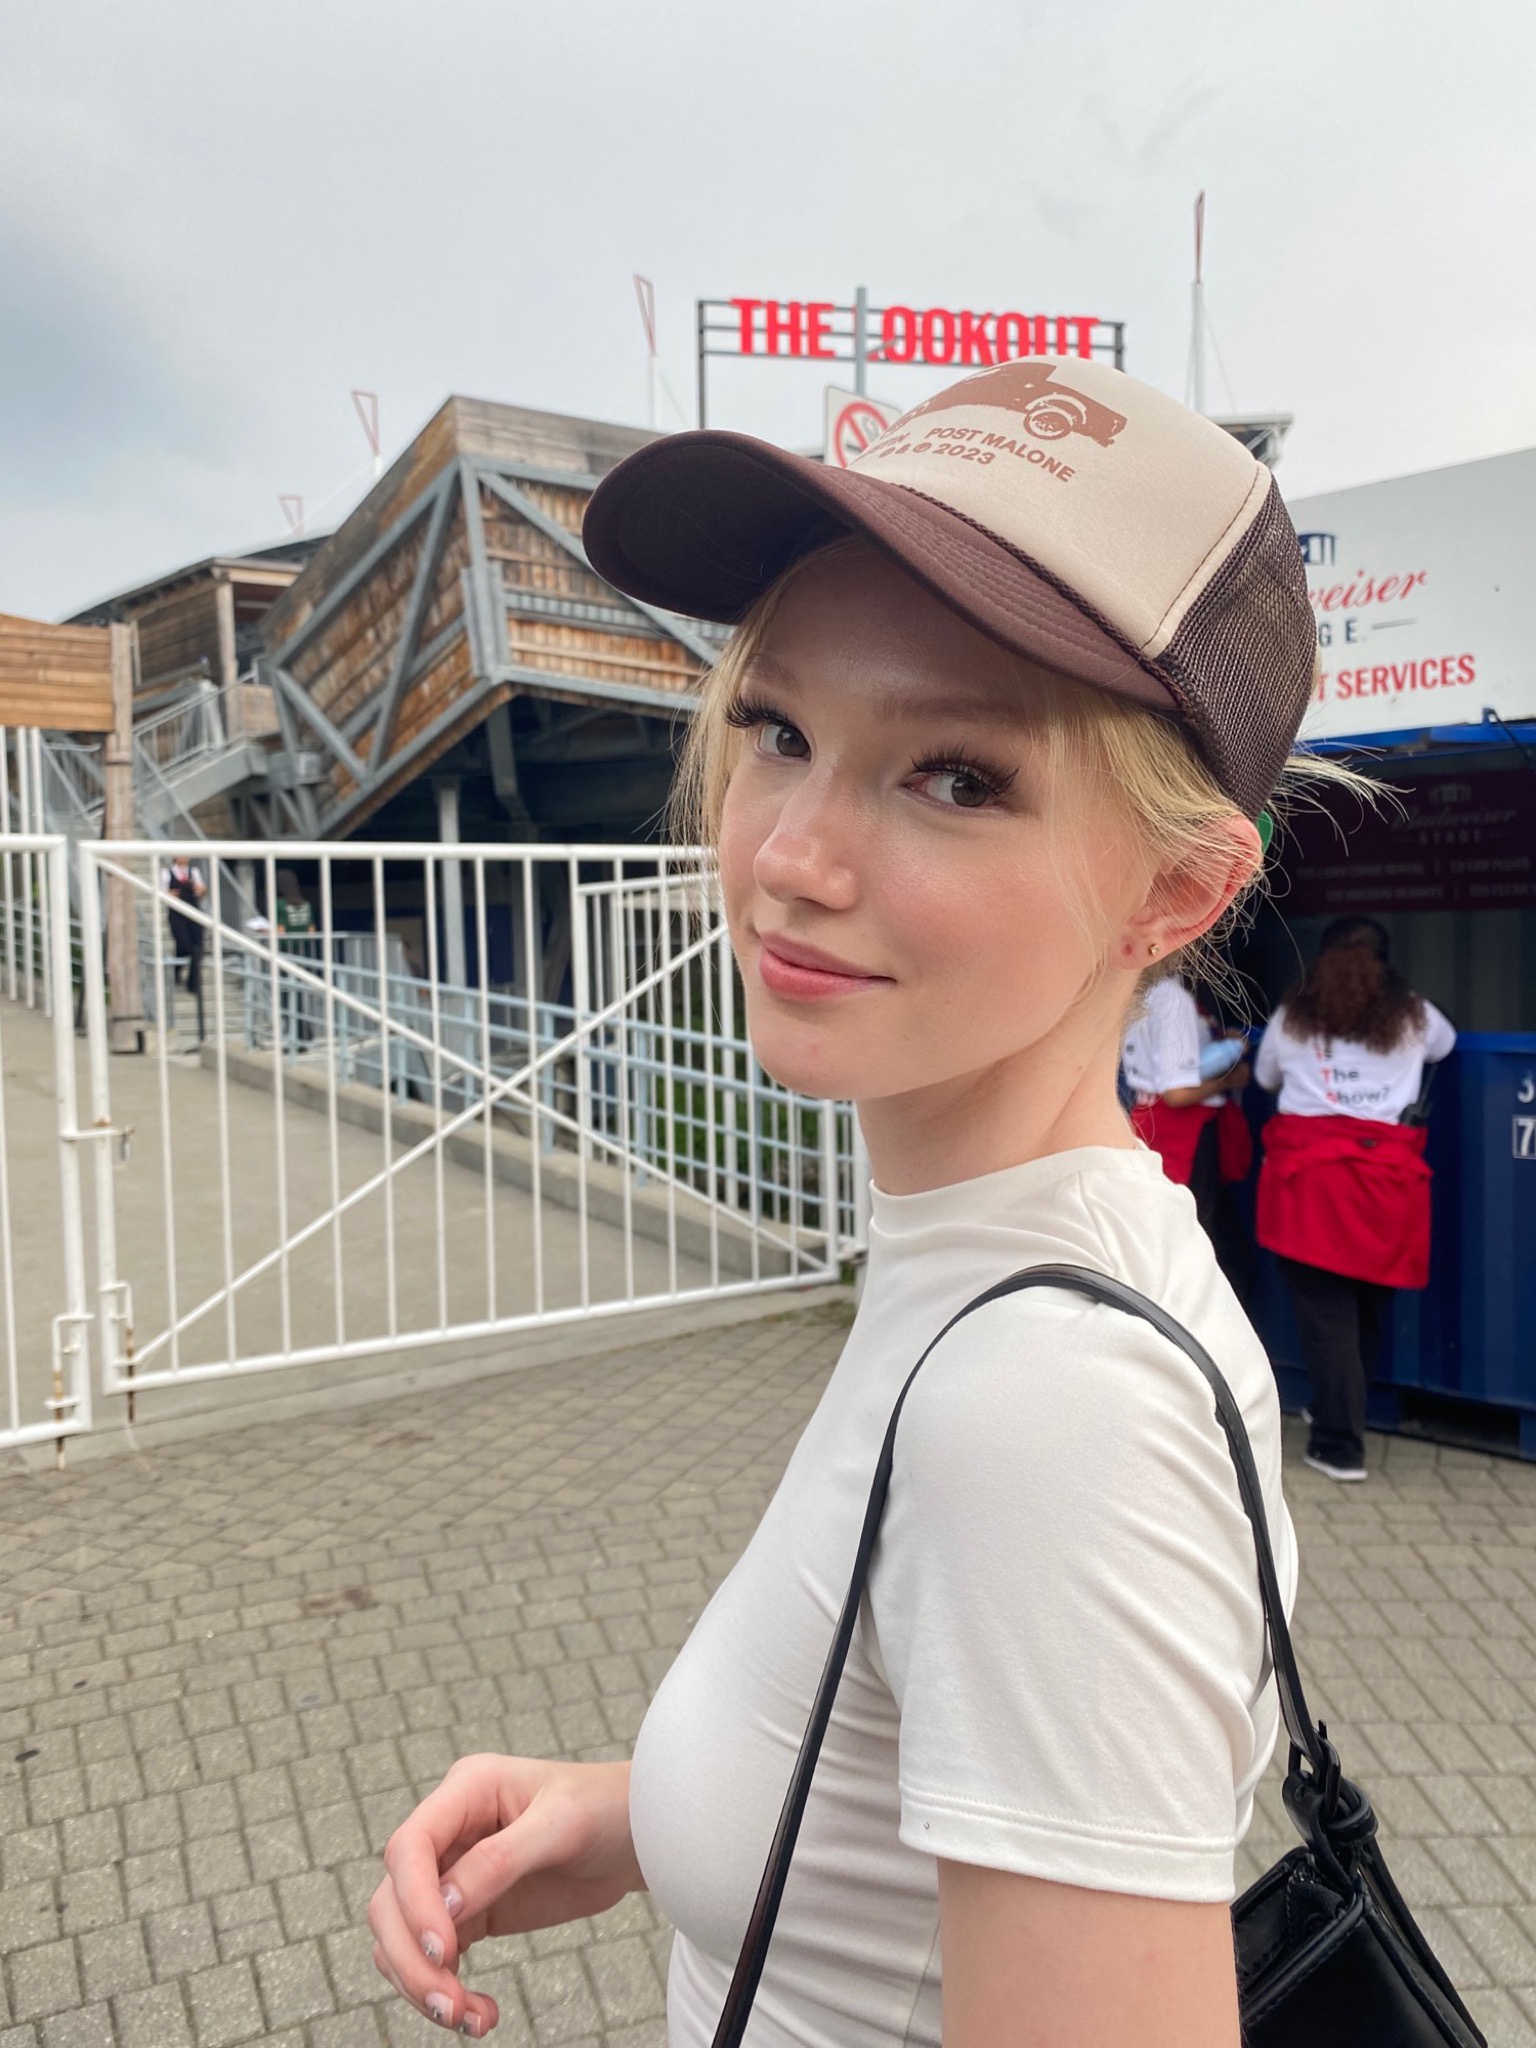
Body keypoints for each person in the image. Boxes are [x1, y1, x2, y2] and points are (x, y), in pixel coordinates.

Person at [368, 357, 1331, 2045]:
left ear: (1176, 892)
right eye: (780, 729)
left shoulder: (1050, 1409)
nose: (791, 858)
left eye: (957, 776)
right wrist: (646, 1812)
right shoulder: (1015, 1256)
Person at [1253, 916, 1455, 1483]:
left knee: (1326, 1315)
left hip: (1310, 1183)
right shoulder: (1413, 1014)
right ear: (1387, 963)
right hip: (1384, 1181)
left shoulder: (1293, 1016)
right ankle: (1340, 1410)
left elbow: (1266, 1078)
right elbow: (1446, 1046)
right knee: (1365, 1306)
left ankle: (1339, 1445)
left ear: (1321, 959)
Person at [1119, 973, 1250, 1233]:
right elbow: (1177, 1094)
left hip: (1144, 1118)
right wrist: (1228, 1081)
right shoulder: (1172, 999)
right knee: (1188, 1226)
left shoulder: (1135, 988)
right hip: (1182, 1132)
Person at [161, 854, 206, 997]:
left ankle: (193, 983)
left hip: (193, 913)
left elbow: (202, 890)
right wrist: (168, 895)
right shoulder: (167, 873)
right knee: (184, 946)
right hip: (177, 915)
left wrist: (201, 891)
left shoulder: (194, 872)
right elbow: (160, 893)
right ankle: (176, 971)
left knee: (198, 948)